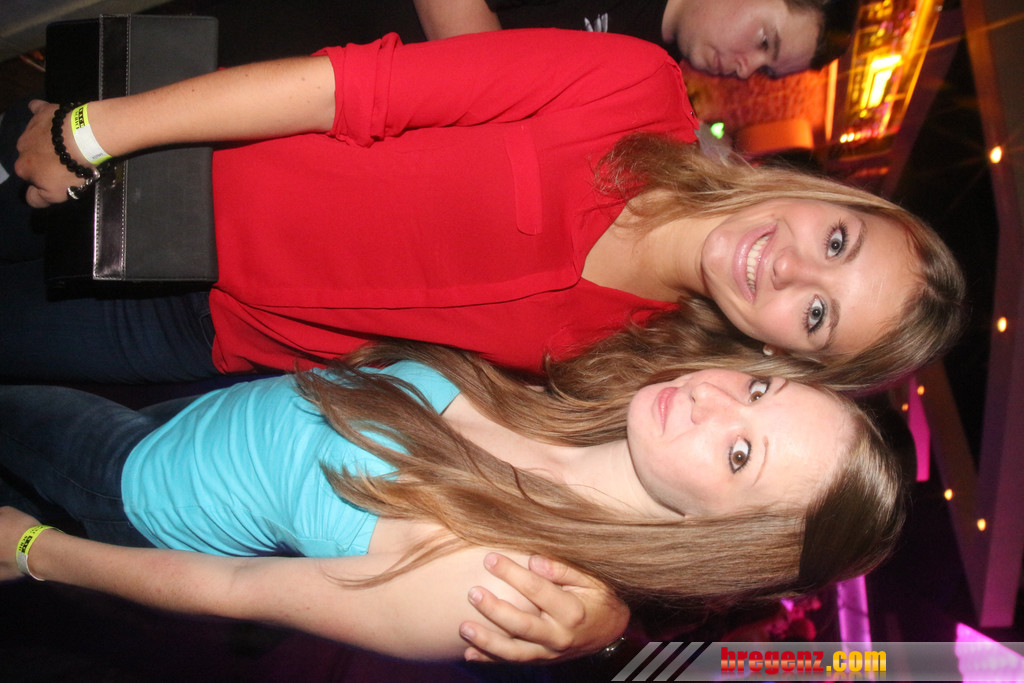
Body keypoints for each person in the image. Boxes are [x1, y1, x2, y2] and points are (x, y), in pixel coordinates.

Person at [7, 30, 964, 391]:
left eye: (818, 313)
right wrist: (96, 133)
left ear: (790, 354)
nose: (791, 268)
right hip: (166, 183)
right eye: (837, 241)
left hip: (198, 336)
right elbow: (343, 89)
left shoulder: (635, 367)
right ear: (820, 196)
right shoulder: (633, 90)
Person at [0, 340, 905, 660]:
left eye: (741, 453)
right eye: (757, 389)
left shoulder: (497, 583)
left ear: (725, 537)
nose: (712, 399)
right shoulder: (593, 402)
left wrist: (37, 551)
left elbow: (232, 591)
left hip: (140, 489)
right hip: (190, 418)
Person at [193, 0, 859, 78]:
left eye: (765, 71)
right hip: (279, 25)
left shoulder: (642, 76)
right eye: (765, 42)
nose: (745, 69)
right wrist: (490, 73)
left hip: (316, 104)